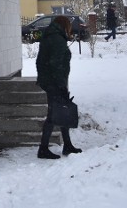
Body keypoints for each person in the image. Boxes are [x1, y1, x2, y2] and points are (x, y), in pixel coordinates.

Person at [36, 15, 82, 159]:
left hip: (51, 80)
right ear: (64, 25)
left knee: (63, 110)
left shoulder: (52, 36)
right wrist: (60, 85)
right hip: (54, 82)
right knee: (53, 114)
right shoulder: (57, 39)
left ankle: (67, 145)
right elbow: (55, 63)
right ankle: (43, 149)